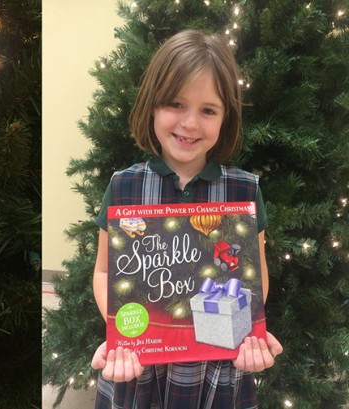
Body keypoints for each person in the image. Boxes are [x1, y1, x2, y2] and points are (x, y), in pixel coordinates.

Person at [89, 30, 284, 407]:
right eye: (175, 104)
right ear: (151, 106)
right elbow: (102, 272)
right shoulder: (124, 186)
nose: (191, 123)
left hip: (218, 363)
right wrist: (122, 331)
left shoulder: (244, 191)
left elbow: (254, 275)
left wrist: (248, 330)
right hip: (142, 361)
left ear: (225, 118)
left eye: (208, 110)